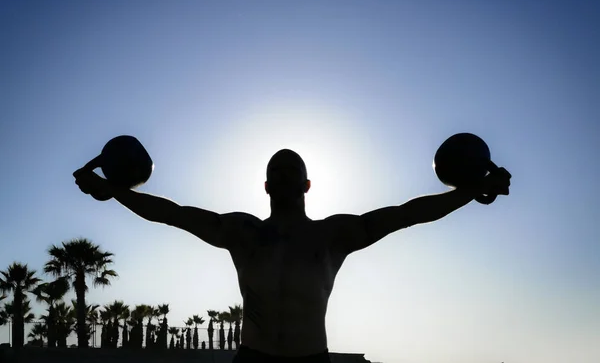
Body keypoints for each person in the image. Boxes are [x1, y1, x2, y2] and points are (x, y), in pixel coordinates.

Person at [73, 148, 511, 363]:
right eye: (274, 172)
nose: (282, 177)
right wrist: (110, 190)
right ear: (266, 186)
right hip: (253, 361)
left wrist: (471, 192)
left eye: (291, 172)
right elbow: (171, 213)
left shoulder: (333, 235)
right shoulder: (241, 232)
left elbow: (406, 214)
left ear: (306, 185)